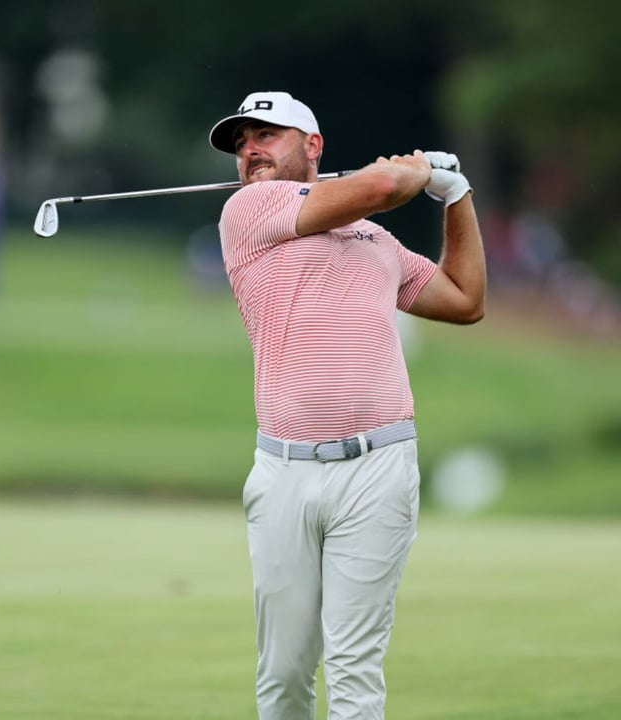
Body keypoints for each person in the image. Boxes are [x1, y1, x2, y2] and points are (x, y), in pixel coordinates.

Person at [209, 91, 485, 719]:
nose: (250, 149)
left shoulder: (375, 241)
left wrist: (456, 195)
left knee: (354, 669)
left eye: (266, 136)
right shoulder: (249, 211)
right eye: (241, 142)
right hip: (284, 471)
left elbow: (466, 300)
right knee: (283, 673)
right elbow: (386, 181)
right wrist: (418, 171)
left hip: (379, 467)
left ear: (313, 147)